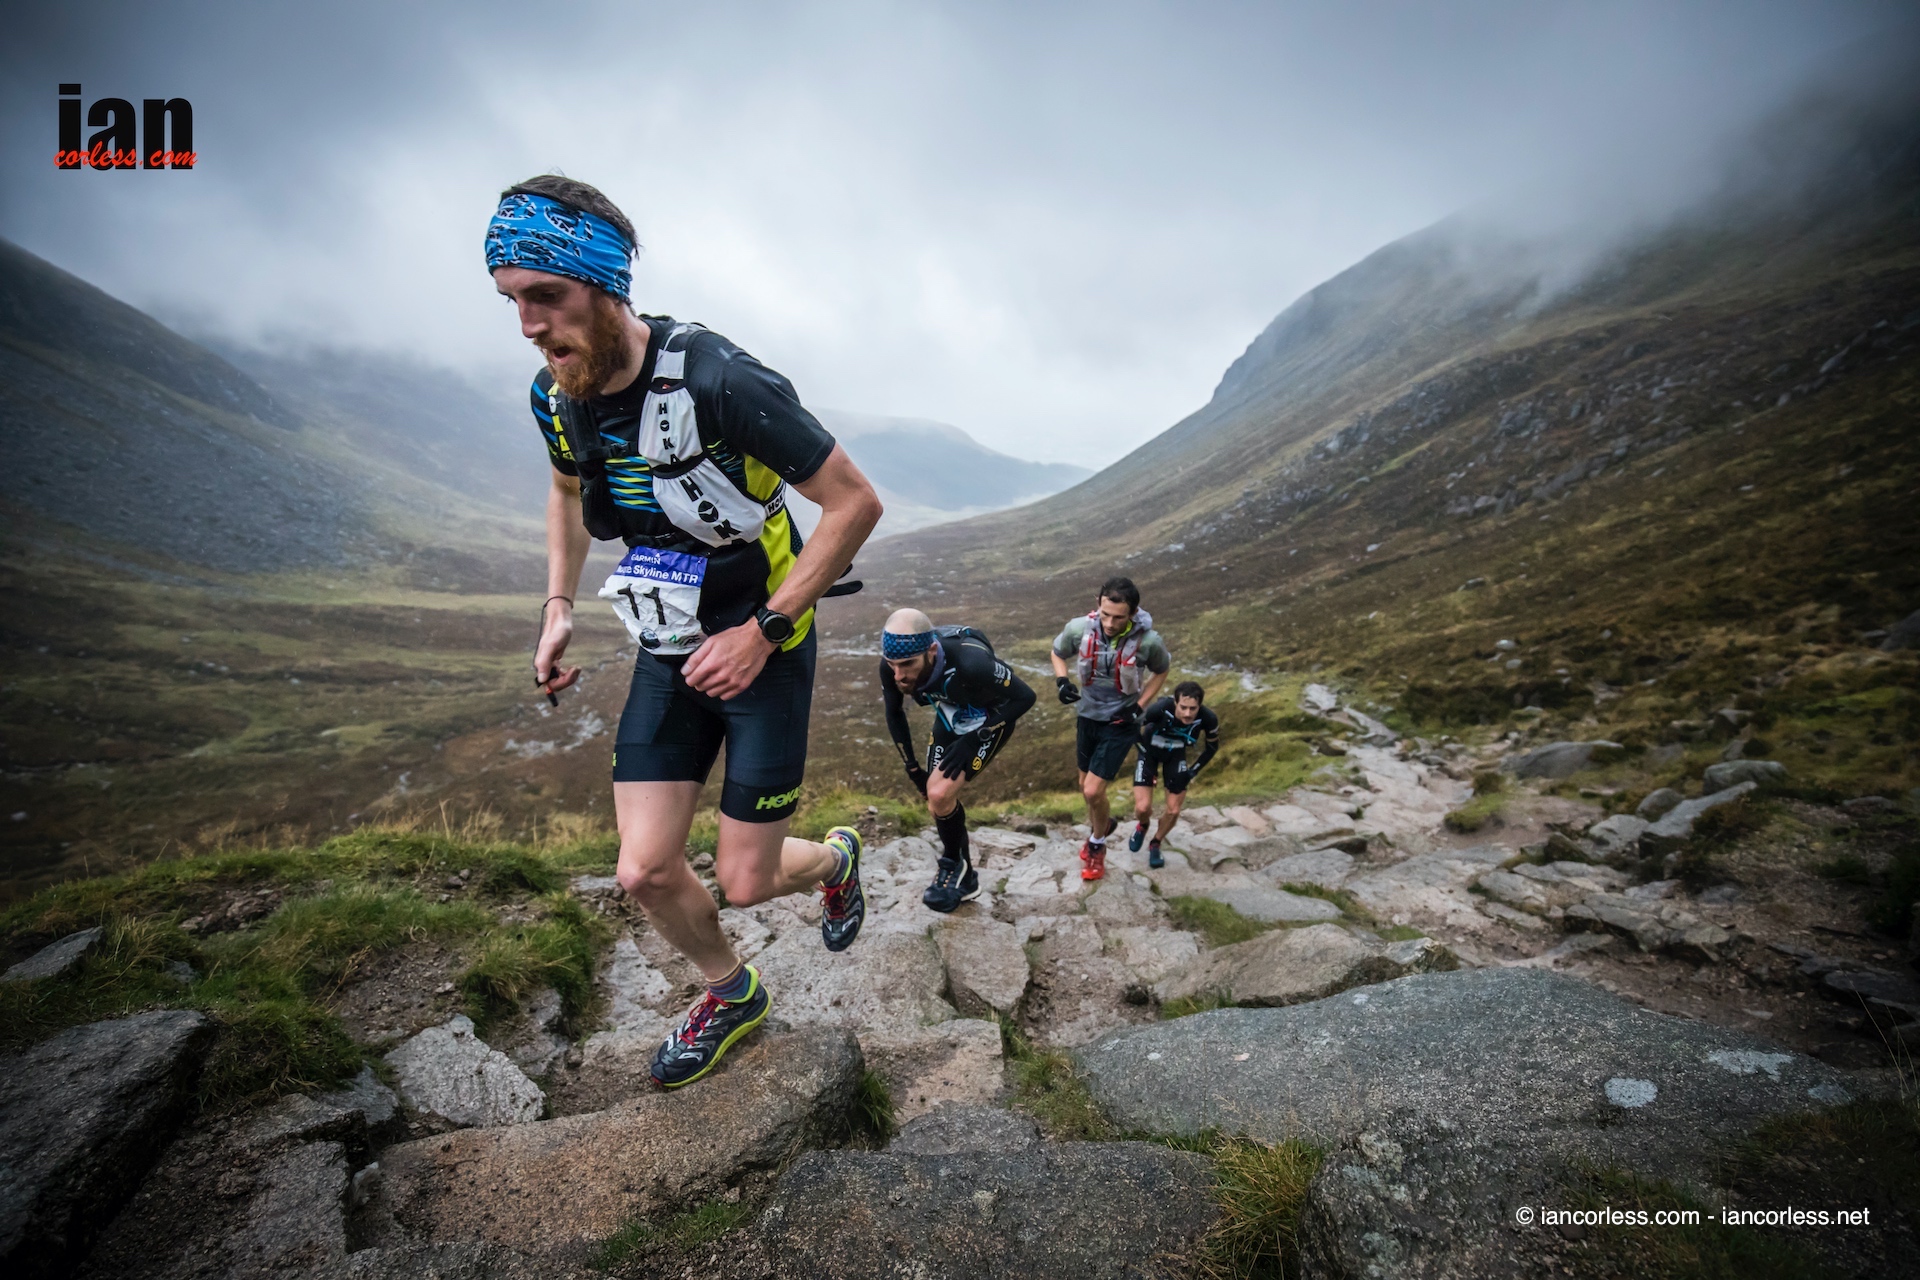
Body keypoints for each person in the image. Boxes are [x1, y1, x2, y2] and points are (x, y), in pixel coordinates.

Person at [489, 175, 883, 1089]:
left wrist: (764, 630)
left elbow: (853, 502)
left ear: (605, 284)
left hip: (765, 644)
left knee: (746, 880)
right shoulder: (558, 394)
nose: (530, 326)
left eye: (546, 296)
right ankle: (731, 992)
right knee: (643, 870)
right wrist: (557, 606)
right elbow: (565, 492)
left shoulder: (720, 380)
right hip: (668, 645)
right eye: (511, 302)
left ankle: (837, 858)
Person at [879, 609, 1036, 911]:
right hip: (953, 711)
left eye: (908, 664)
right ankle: (966, 879)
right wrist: (912, 767)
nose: (899, 675)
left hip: (993, 715)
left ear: (931, 651)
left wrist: (976, 737)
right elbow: (894, 712)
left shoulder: (971, 664)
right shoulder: (895, 664)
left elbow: (1025, 698)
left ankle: (954, 864)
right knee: (935, 799)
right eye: (892, 664)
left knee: (940, 793)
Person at [1049, 577, 1170, 881]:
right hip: (1087, 716)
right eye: (1105, 614)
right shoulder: (1079, 628)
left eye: (1119, 617)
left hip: (1121, 722)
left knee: (1093, 790)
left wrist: (1139, 706)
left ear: (1133, 612)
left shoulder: (1149, 642)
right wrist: (1062, 681)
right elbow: (1058, 652)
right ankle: (1103, 825)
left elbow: (1161, 670)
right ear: (1098, 604)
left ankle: (1097, 844)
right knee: (1085, 787)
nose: (1110, 623)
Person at [1128, 682, 1220, 868]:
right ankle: (1143, 825)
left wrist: (1192, 771)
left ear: (1200, 706)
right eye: (1183, 707)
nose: (1187, 713)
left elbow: (1212, 747)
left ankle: (1156, 842)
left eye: (1193, 709)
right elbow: (1131, 727)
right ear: (1175, 702)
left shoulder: (1208, 718)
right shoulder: (1159, 709)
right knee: (1143, 808)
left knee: (1173, 810)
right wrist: (1142, 752)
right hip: (1149, 753)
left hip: (1176, 755)